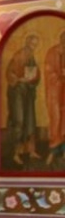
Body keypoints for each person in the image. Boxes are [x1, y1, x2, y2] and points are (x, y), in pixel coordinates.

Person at [6, 34, 41, 165]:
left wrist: (33, 79)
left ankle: (30, 150)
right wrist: (19, 79)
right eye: (32, 44)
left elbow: (36, 74)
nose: (33, 47)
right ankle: (16, 153)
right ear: (27, 43)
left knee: (30, 121)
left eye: (35, 45)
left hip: (28, 93)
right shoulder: (19, 55)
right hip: (18, 93)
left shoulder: (31, 56)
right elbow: (9, 73)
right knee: (19, 121)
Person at [44, 30, 65, 165]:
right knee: (56, 120)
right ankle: (53, 150)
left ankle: (64, 152)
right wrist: (59, 77)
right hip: (56, 92)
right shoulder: (52, 52)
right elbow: (48, 72)